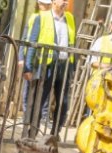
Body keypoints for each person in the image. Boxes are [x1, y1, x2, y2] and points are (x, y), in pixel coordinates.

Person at [23, 0, 76, 135]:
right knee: (39, 100)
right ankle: (33, 131)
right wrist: (27, 67)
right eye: (62, 0)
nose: (65, 2)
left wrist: (72, 66)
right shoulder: (42, 17)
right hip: (47, 64)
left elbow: (72, 42)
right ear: (53, 2)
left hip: (64, 65)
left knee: (63, 102)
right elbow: (32, 42)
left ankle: (55, 133)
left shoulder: (70, 19)